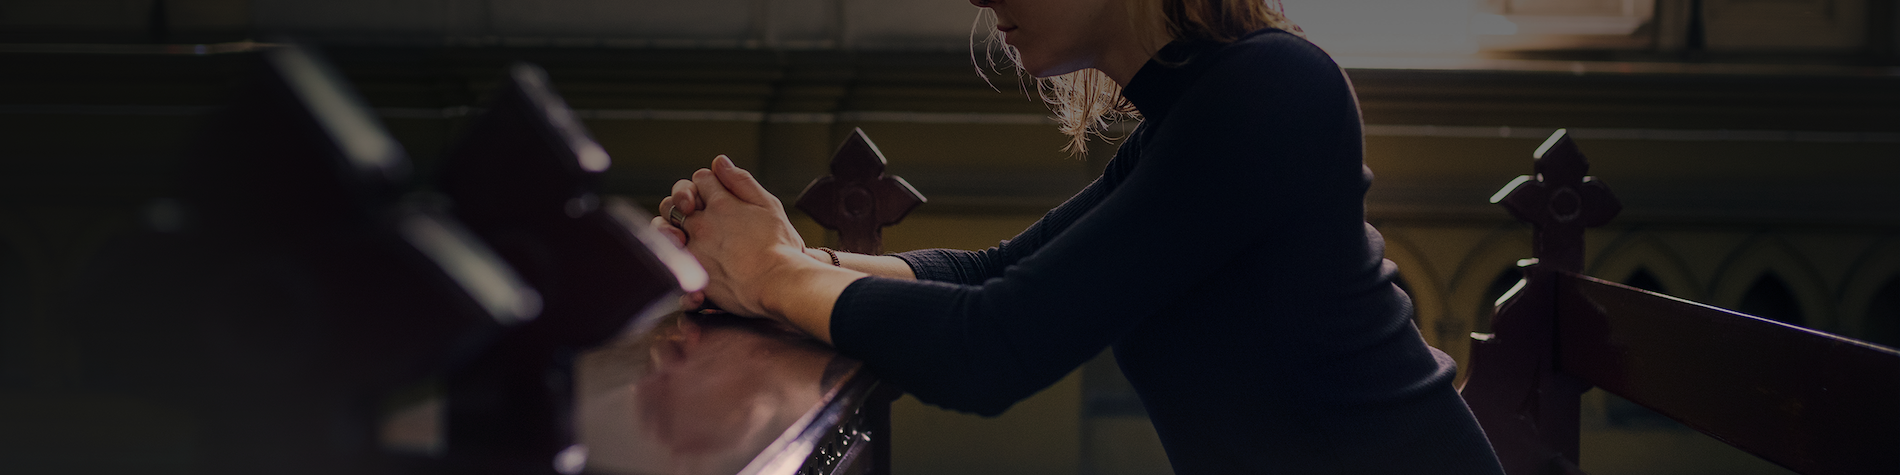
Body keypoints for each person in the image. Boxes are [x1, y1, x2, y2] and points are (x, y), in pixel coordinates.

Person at [651, 0, 1507, 472]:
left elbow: (990, 347)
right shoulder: (1199, 107)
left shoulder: (1272, 90)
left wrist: (766, 274)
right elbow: (988, 274)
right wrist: (793, 258)